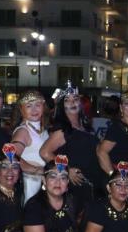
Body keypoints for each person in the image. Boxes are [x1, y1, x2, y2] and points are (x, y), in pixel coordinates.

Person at [40, 83, 103, 214]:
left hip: (92, 184)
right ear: (62, 105)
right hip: (76, 187)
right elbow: (45, 152)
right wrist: (66, 170)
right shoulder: (63, 130)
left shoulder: (84, 126)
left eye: (75, 98)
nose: (72, 102)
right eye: (67, 100)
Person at [10, 90, 48, 204]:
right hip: (30, 183)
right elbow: (10, 157)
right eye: (29, 106)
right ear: (21, 109)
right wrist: (36, 170)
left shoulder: (42, 129)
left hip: (41, 183)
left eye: (37, 105)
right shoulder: (23, 130)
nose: (34, 109)